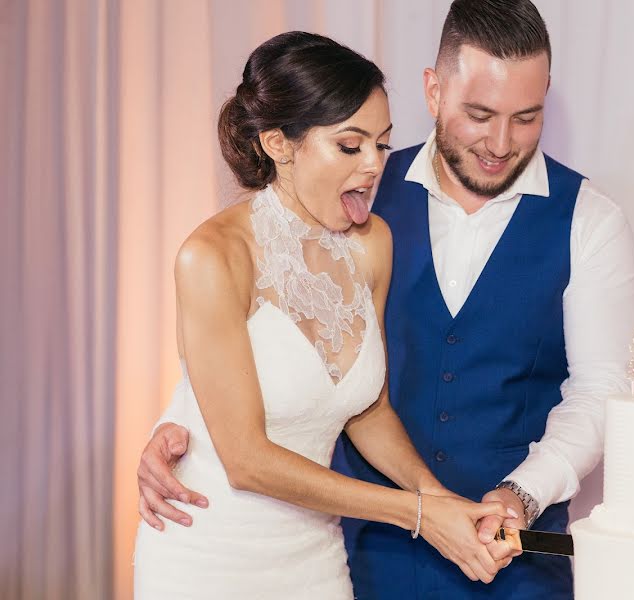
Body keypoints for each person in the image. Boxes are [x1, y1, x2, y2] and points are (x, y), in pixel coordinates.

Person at [138, 1, 634, 598]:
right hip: (317, 544)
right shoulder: (347, 202)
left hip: (489, 557)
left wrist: (493, 496)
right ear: (434, 92)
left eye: (526, 117)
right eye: (479, 114)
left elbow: (597, 392)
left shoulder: (582, 220)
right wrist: (177, 423)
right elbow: (243, 386)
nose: (500, 143)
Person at [132, 30, 513, 600]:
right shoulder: (213, 256)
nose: (372, 166)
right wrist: (415, 514)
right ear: (279, 145)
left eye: (382, 145)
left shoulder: (371, 243)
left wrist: (440, 501)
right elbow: (247, 460)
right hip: (205, 550)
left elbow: (368, 410)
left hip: (312, 559)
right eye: (349, 145)